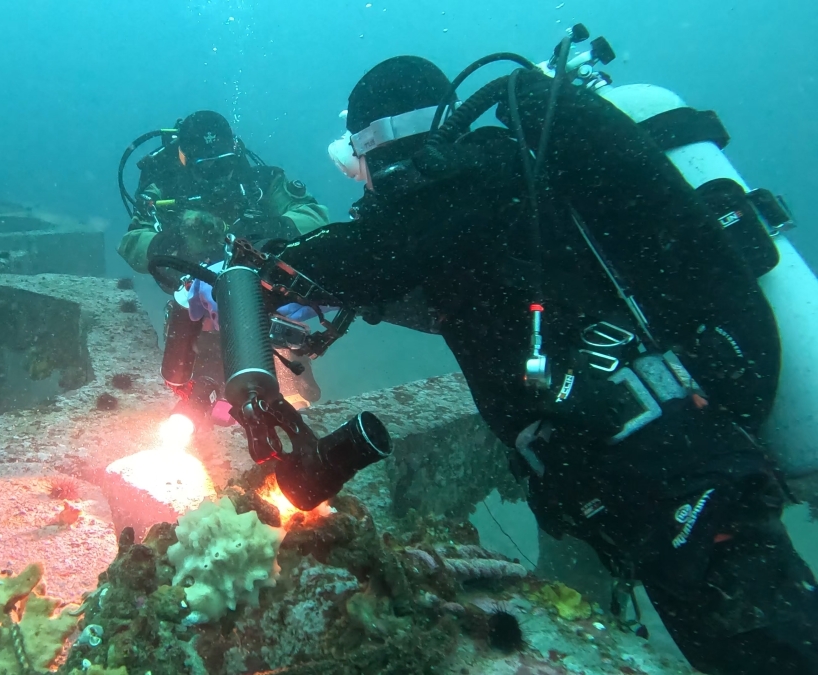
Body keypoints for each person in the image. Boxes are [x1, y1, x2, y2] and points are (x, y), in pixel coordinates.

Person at [196, 53, 818, 674]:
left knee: (768, 648)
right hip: (646, 467)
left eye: (356, 161)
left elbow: (367, 253)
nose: (363, 183)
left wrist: (263, 262)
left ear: (382, 141)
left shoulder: (474, 178)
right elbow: (406, 279)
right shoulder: (489, 194)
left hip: (675, 470)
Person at [118, 110, 330, 406]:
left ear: (235, 151)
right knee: (199, 379)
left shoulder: (260, 180)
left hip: (262, 291)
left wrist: (267, 230)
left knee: (293, 387)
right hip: (198, 297)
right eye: (206, 167)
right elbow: (132, 242)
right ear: (184, 159)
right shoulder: (162, 188)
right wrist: (173, 241)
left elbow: (315, 216)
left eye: (225, 164)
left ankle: (291, 387)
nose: (218, 176)